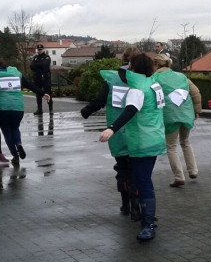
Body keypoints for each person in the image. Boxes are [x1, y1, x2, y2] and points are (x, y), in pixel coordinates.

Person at [99, 53, 166, 242]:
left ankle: (148, 224)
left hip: (142, 141)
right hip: (155, 138)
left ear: (133, 68)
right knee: (143, 180)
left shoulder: (138, 89)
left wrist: (112, 129)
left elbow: (130, 111)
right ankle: (148, 217)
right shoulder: (154, 84)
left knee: (142, 181)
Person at [81, 46, 141, 221]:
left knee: (122, 170)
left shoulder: (111, 79)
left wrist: (87, 110)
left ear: (122, 59)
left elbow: (100, 100)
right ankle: (137, 207)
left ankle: (125, 205)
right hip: (138, 132)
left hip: (115, 131)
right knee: (137, 171)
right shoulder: (141, 79)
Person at [0, 57, 50, 166]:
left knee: (7, 131)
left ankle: (15, 155)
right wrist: (42, 93)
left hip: (1, 108)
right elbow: (29, 84)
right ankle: (19, 143)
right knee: (15, 128)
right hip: (18, 107)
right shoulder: (16, 73)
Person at [152, 53, 200, 187]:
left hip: (169, 116)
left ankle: (179, 176)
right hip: (186, 113)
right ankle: (193, 170)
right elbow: (195, 92)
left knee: (171, 146)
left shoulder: (155, 78)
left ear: (156, 65)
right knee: (185, 142)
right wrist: (197, 110)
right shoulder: (181, 76)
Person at [30, 44, 53, 116]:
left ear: (43, 49)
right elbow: (31, 66)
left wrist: (37, 65)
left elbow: (45, 65)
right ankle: (39, 110)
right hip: (38, 78)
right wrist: (39, 65)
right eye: (38, 49)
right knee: (38, 94)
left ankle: (50, 110)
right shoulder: (35, 57)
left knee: (48, 94)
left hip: (45, 78)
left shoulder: (47, 57)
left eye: (41, 49)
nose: (39, 51)